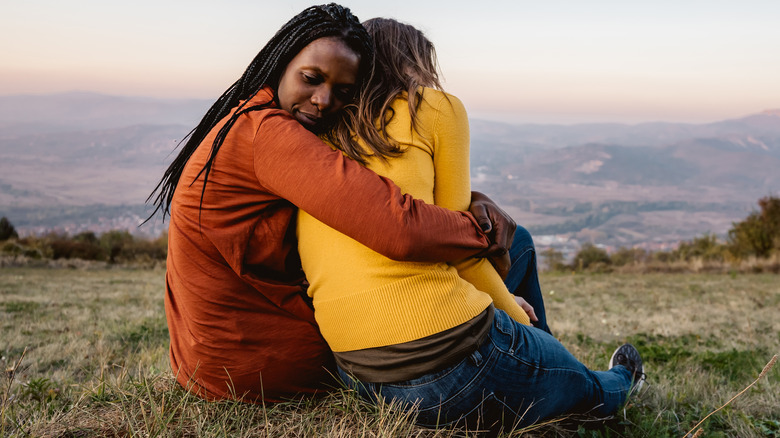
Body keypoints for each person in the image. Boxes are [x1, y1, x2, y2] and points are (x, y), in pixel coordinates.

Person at [146, 4, 514, 404]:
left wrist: (476, 202)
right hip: (258, 365)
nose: (323, 100)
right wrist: (481, 230)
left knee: (515, 243)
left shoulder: (249, 117)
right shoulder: (270, 134)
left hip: (207, 362)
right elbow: (399, 226)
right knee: (515, 244)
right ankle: (530, 354)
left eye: (343, 92)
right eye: (311, 78)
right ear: (282, 61)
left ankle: (523, 345)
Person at [296, 18, 645, 431]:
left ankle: (545, 355)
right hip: (447, 371)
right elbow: (459, 249)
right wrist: (511, 309)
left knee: (522, 244)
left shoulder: (321, 128)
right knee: (593, 391)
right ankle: (613, 381)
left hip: (359, 374)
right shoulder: (434, 106)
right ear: (415, 64)